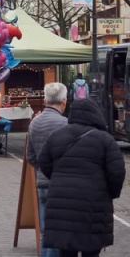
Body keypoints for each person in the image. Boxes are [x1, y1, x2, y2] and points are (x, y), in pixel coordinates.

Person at [37, 98, 126, 257]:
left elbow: (43, 162)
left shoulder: (56, 136)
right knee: (91, 251)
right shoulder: (105, 140)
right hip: (93, 206)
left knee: (65, 250)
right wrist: (109, 193)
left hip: (61, 204)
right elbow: (117, 172)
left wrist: (58, 178)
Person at [26, 82, 68, 257]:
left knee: (45, 233)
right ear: (64, 102)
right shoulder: (66, 124)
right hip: (61, 184)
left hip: (42, 182)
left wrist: (42, 169)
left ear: (44, 100)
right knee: (61, 232)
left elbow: (30, 156)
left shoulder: (35, 123)